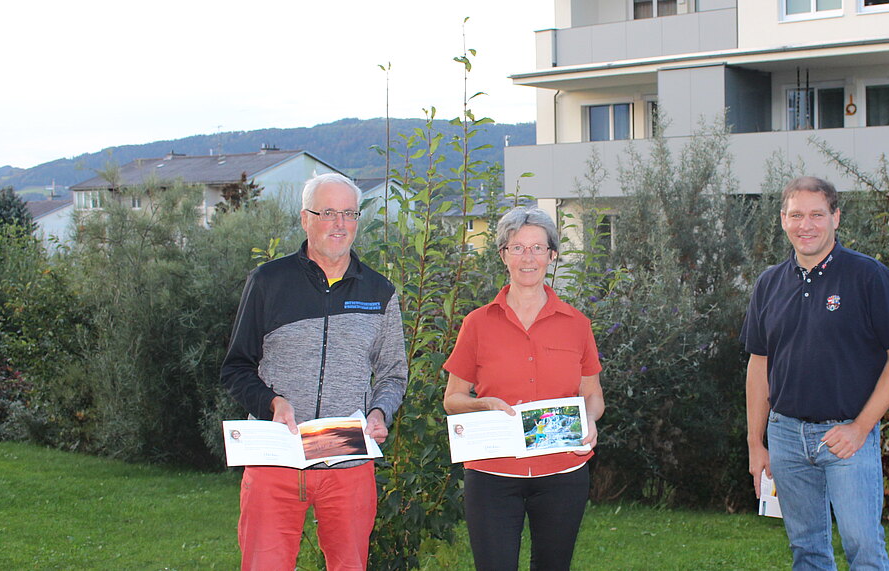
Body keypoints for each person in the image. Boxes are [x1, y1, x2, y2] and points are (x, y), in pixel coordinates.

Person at [221, 172, 408, 570]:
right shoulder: (268, 282)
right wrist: (271, 402)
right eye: (327, 212)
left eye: (348, 213)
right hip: (276, 451)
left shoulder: (379, 292)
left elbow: (392, 373)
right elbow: (236, 368)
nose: (339, 224)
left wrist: (379, 412)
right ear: (305, 219)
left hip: (347, 455)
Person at [742, 176, 889, 571]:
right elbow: (758, 366)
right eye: (797, 215)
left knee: (864, 549)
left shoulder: (868, 276)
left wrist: (860, 427)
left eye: (817, 214)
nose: (807, 225)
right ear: (783, 220)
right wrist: (757, 442)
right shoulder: (769, 284)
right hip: (786, 436)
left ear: (836, 218)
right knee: (806, 549)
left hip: (846, 439)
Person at [442, 206, 605, 571]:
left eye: (536, 248)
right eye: (517, 247)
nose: (527, 257)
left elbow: (592, 395)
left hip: (563, 473)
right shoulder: (477, 324)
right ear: (503, 255)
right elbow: (452, 400)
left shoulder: (577, 324)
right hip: (491, 474)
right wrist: (483, 404)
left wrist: (590, 420)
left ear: (552, 255)